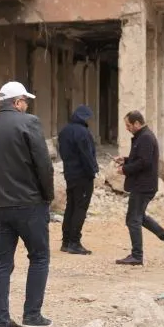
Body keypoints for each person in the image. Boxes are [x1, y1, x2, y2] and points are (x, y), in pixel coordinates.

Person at [0, 82, 54, 327]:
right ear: (18, 102)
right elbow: (43, 164)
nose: (26, 106)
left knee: (1, 262)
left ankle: (1, 321)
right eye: (25, 102)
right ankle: (32, 315)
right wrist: (48, 196)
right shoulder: (28, 122)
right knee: (39, 256)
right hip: (28, 203)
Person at [114, 110, 164, 266]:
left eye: (129, 125)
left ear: (137, 123)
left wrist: (125, 170)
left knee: (133, 220)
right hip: (143, 184)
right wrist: (125, 160)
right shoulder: (142, 137)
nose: (127, 128)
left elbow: (144, 163)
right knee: (140, 217)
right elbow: (141, 158)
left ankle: (137, 255)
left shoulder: (145, 138)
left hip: (143, 186)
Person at [56, 104, 99, 255]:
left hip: (70, 173)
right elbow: (86, 155)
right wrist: (93, 170)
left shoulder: (64, 131)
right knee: (80, 208)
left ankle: (66, 241)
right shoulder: (83, 132)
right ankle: (74, 242)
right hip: (83, 176)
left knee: (71, 206)